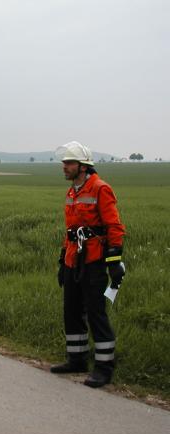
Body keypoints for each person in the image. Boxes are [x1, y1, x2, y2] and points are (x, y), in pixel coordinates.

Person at [51, 141, 126, 388]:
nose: (64, 166)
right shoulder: (72, 192)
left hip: (94, 261)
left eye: (69, 163)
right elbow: (71, 231)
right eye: (64, 162)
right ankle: (77, 360)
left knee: (96, 313)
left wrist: (114, 262)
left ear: (83, 166)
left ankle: (104, 368)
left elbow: (114, 226)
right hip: (73, 260)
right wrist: (63, 261)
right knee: (71, 311)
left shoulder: (100, 188)